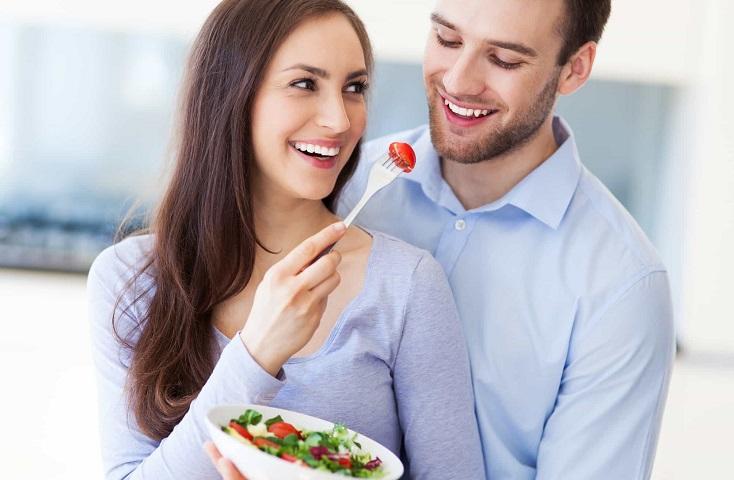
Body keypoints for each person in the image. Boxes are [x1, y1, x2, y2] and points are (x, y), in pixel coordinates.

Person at [87, 0, 485, 478]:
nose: (340, 120)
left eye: (354, 88)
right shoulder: (128, 279)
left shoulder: (407, 285)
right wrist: (256, 353)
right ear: (229, 95)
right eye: (304, 84)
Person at [334, 0, 675, 479]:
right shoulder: (346, 192)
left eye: (504, 60)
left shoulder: (620, 285)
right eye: (448, 40)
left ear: (574, 69)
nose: (457, 80)